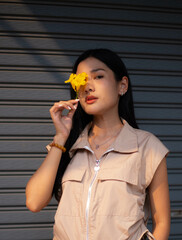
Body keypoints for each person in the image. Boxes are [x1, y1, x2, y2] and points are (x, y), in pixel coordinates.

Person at [26, 49, 170, 240]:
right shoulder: (69, 146)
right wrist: (61, 137)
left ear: (122, 85)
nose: (88, 87)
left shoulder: (147, 146)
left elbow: (162, 222)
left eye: (98, 76)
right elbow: (34, 202)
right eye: (81, 80)